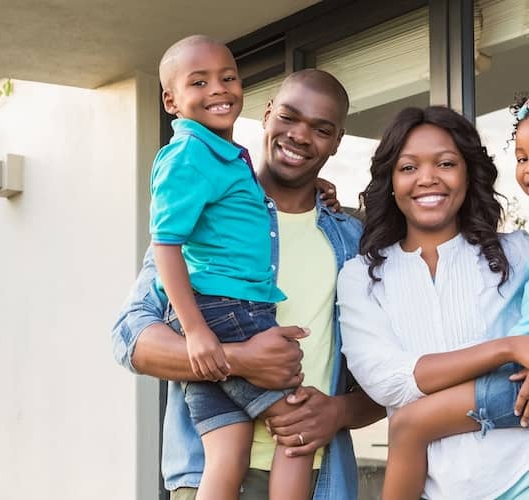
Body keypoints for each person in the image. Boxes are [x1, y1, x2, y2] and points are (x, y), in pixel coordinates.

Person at [337, 105, 529, 499]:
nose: (427, 178)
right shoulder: (362, 277)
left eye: (446, 163)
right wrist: (512, 348)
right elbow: (390, 382)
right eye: (408, 168)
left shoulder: (518, 252)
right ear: (390, 179)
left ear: (468, 175)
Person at [112, 68, 385, 500]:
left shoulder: (354, 242)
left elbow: (389, 375)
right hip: (209, 476)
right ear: (267, 114)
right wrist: (240, 359)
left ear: (337, 142)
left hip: (318, 479)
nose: (299, 136)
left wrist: (337, 412)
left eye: (321, 129)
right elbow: (131, 340)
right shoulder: (206, 217)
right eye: (289, 117)